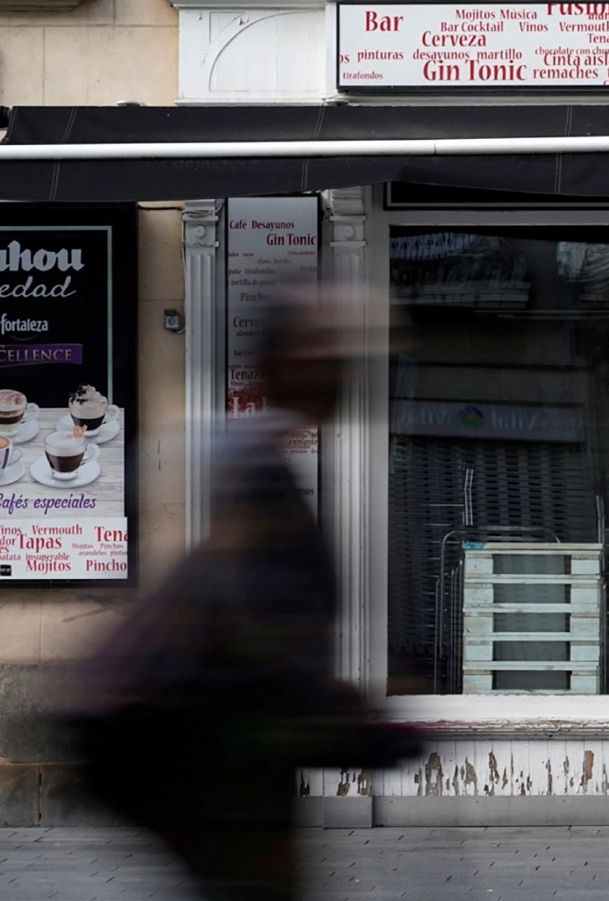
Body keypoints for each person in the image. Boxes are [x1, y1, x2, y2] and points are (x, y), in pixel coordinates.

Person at [71, 288, 416, 901]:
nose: (343, 364)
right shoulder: (257, 470)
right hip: (171, 729)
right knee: (256, 879)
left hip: (186, 725)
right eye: (323, 348)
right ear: (278, 365)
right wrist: (339, 714)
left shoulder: (259, 460)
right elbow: (254, 625)